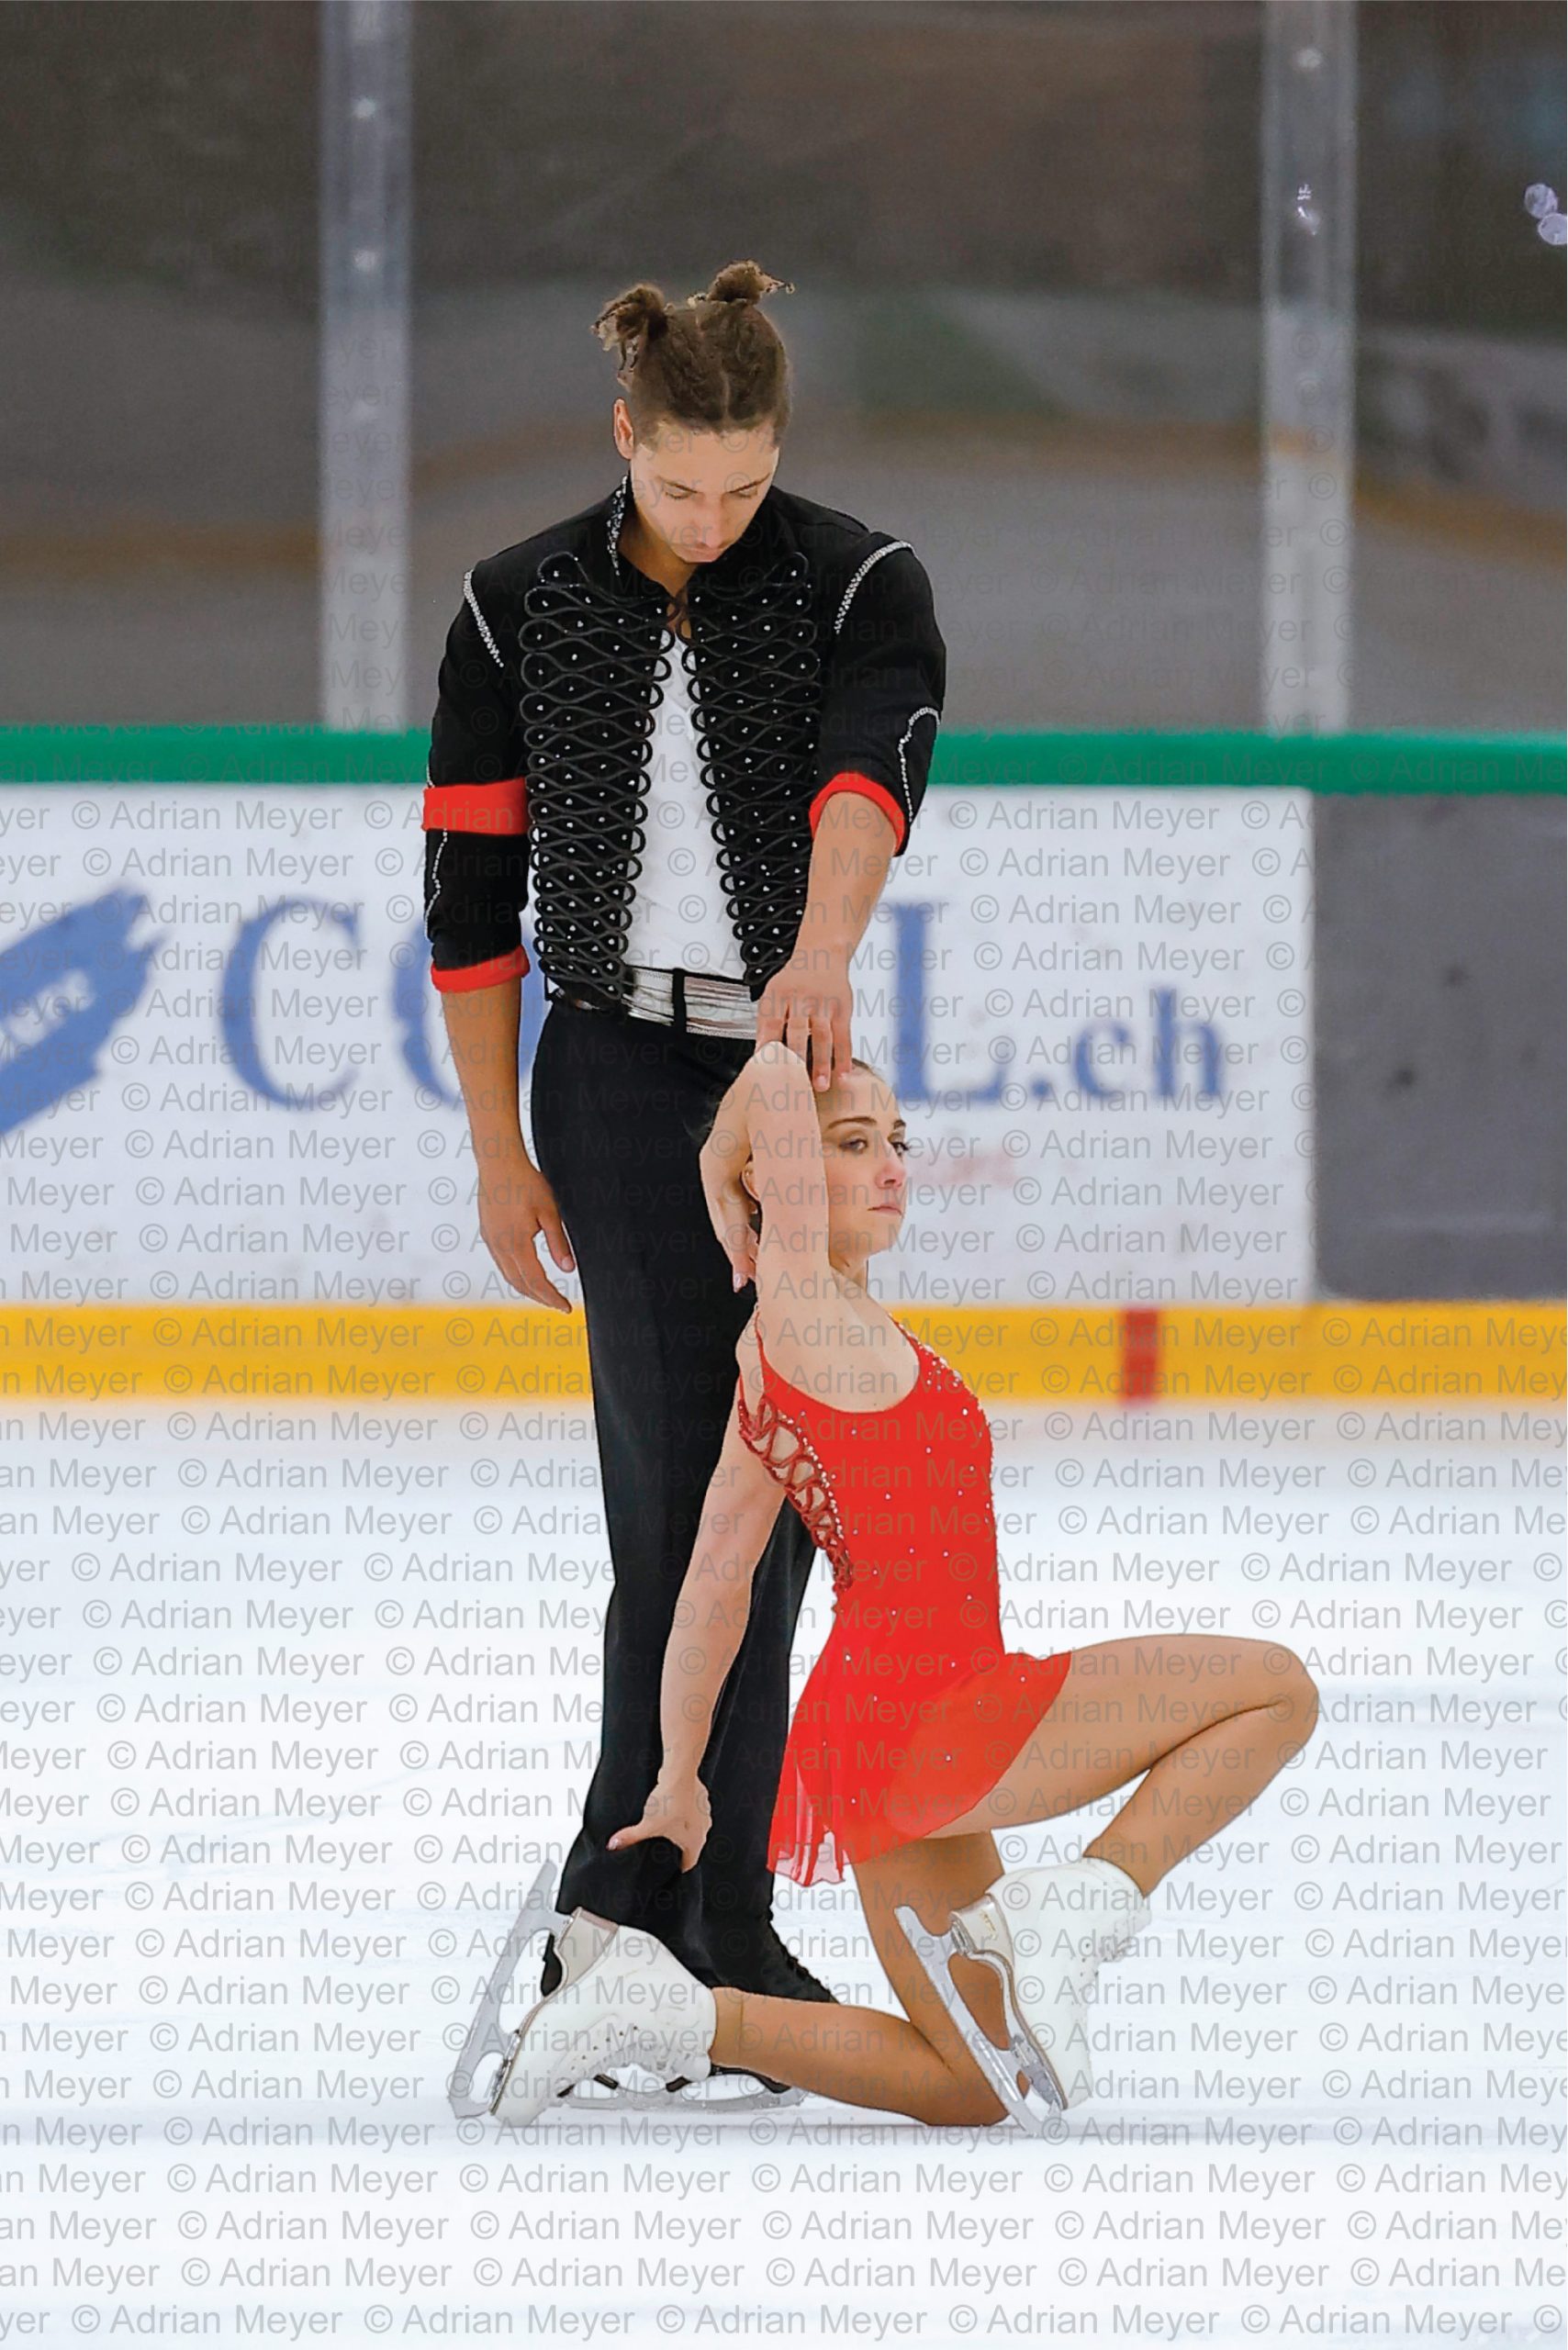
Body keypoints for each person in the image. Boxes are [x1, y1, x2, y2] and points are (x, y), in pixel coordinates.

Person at [421, 259, 946, 2063]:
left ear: (776, 449)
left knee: (779, 1495)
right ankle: (624, 1920)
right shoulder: (515, 604)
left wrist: (820, 956)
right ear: (622, 434)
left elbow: (864, 781)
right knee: (672, 1509)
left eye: (743, 484)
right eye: (677, 484)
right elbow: (467, 902)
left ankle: (710, 1923)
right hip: (614, 1074)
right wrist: (497, 1150)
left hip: (785, 1061)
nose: (711, 519)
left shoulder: (856, 579)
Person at [482, 1042, 1322, 2130]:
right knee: (1276, 1689)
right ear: (775, 1177)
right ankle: (1080, 1910)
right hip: (942, 1708)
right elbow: (772, 1073)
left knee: (971, 2081)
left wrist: (681, 1775)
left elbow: (715, 1588)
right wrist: (719, 1169)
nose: (889, 1165)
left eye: (895, 1140)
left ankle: (667, 2011)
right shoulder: (799, 1311)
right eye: (848, 1143)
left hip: (876, 1730)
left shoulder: (787, 1351)